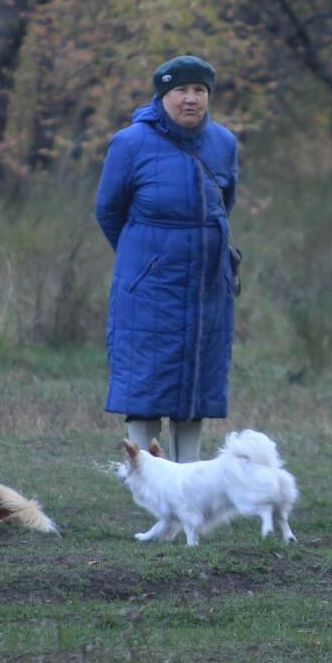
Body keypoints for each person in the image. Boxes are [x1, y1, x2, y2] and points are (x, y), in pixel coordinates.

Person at [95, 54, 240, 461]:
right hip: (148, 288)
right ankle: (144, 473)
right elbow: (108, 210)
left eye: (199, 90)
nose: (191, 99)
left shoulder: (224, 143)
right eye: (181, 90)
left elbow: (224, 203)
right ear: (162, 96)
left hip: (207, 287)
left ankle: (188, 475)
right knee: (144, 383)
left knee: (196, 383)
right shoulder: (130, 143)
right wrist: (145, 259)